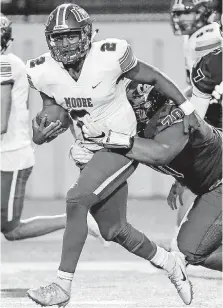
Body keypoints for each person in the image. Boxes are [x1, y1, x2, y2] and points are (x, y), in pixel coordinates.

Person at [26, 3, 198, 306]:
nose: (65, 43)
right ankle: (171, 264)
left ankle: (61, 286)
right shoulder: (41, 70)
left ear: (87, 34)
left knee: (76, 199)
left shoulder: (109, 55)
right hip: (87, 148)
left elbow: (155, 77)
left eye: (71, 36)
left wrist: (188, 108)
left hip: (121, 143)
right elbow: (56, 108)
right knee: (113, 229)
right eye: (58, 37)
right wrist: (43, 129)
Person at [79, 82, 222, 274]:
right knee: (190, 250)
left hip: (218, 184)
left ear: (144, 105)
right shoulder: (144, 126)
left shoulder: (176, 115)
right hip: (213, 186)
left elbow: (160, 153)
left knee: (190, 251)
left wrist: (108, 138)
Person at [0, 13, 104, 243]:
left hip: (9, 156)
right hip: (10, 152)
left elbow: (1, 123)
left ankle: (77, 220)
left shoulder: (5, 63)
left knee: (11, 229)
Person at [169, 0, 222, 231]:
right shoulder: (192, 37)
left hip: (215, 112)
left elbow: (211, 85)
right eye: (177, 14)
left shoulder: (207, 36)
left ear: (204, 12)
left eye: (185, 13)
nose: (180, 19)